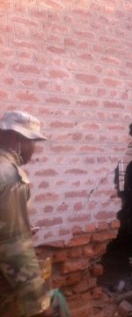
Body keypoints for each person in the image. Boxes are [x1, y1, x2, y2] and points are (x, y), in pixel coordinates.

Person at [0, 111, 56, 316]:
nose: (34, 150)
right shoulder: (10, 176)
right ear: (18, 139)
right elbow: (15, 247)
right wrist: (39, 302)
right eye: (34, 142)